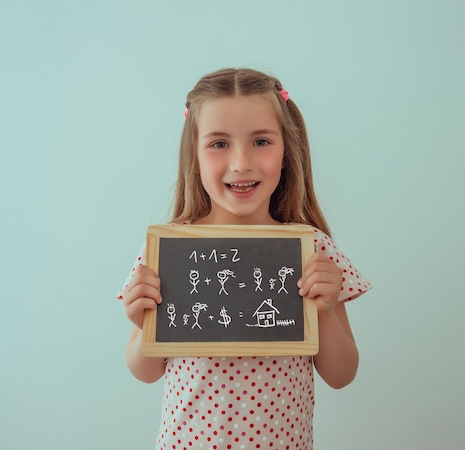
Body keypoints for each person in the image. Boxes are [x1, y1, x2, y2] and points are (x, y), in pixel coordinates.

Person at [117, 68, 371, 449]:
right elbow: (146, 371)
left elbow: (341, 374)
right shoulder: (170, 248)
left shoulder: (310, 248)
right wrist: (141, 323)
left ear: (286, 151)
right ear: (195, 157)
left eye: (261, 141)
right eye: (219, 144)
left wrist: (325, 310)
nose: (241, 162)